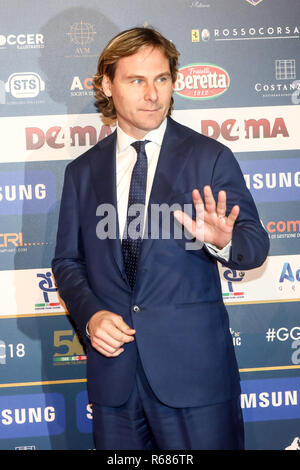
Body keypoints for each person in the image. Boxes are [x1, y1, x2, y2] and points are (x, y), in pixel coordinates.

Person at [52, 27, 269, 450]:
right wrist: (91, 315)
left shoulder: (209, 157)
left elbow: (254, 244)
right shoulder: (81, 172)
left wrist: (223, 241)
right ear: (107, 85)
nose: (152, 94)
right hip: (115, 380)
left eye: (162, 79)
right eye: (136, 80)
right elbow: (67, 261)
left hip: (195, 378)